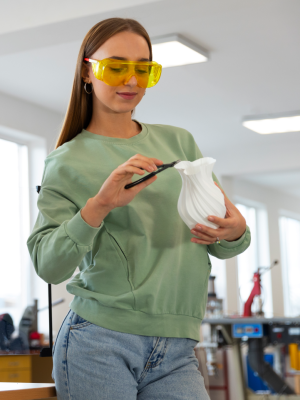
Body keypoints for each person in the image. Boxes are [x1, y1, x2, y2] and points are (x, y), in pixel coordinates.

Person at [27, 17, 251, 400]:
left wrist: (237, 230)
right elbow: (49, 265)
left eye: (143, 69)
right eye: (116, 67)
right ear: (87, 70)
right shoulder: (65, 162)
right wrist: (99, 206)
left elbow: (222, 240)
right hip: (100, 343)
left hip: (178, 348)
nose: (131, 81)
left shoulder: (179, 142)